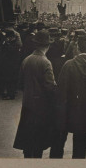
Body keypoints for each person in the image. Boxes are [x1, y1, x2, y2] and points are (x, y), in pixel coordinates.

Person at [12, 30, 58, 158]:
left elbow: (20, 84)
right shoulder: (46, 62)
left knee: (27, 137)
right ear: (47, 46)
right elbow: (50, 87)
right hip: (41, 106)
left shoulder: (27, 60)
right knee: (39, 140)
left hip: (27, 103)